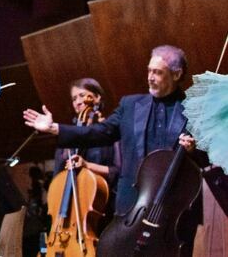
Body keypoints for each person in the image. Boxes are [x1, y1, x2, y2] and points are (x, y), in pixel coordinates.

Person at [23, 44, 207, 250]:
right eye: (149, 71)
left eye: (157, 72)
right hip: (132, 207)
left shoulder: (195, 109)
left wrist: (193, 150)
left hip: (173, 210)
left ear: (176, 74)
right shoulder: (130, 105)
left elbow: (208, 158)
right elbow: (100, 132)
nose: (150, 77)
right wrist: (55, 128)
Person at [50, 79, 119, 195]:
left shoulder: (111, 133)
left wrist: (87, 165)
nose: (78, 102)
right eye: (74, 99)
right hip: (75, 198)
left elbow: (118, 172)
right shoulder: (69, 136)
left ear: (97, 97)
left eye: (82, 95)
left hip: (104, 197)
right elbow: (57, 176)